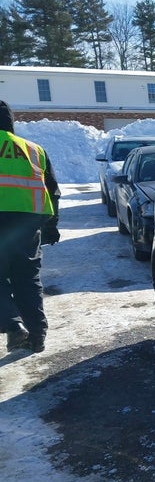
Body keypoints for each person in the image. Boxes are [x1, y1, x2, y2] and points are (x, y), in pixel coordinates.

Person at [0, 100, 60, 353]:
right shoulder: (34, 149)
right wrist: (51, 227)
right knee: (27, 281)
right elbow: (52, 191)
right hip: (28, 225)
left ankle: (14, 327)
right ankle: (37, 337)